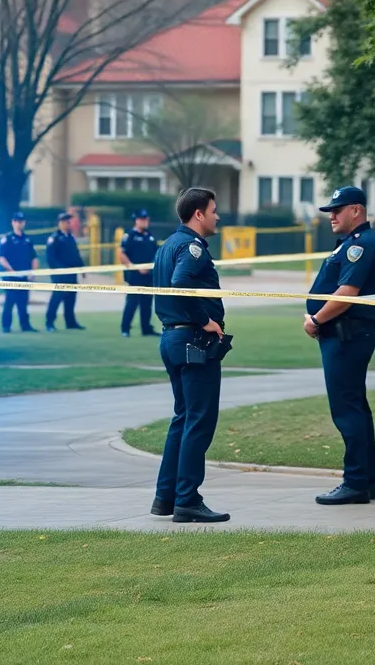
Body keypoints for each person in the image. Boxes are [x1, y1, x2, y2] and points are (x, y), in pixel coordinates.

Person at [149, 188, 230, 524]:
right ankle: (187, 500)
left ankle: (166, 496)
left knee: (182, 418)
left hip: (172, 338)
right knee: (199, 420)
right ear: (198, 214)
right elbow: (180, 283)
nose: (217, 216)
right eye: (214, 210)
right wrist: (206, 320)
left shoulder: (166, 246)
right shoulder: (192, 247)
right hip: (193, 340)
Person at [304, 186, 375, 505]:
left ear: (357, 210)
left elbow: (347, 293)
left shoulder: (360, 245)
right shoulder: (350, 244)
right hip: (344, 334)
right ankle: (367, 479)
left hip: (345, 334)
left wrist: (316, 320)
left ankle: (355, 482)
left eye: (337, 210)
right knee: (356, 407)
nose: (332, 216)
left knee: (347, 409)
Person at [119, 209, 159, 338]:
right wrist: (135, 268)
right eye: (142, 219)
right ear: (136, 220)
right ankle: (125, 329)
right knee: (132, 303)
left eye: (146, 219)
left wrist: (151, 266)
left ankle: (146, 328)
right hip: (134, 276)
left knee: (147, 304)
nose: (145, 222)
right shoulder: (129, 236)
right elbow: (122, 254)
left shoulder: (150, 236)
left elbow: (156, 253)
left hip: (148, 275)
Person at [0, 211, 39, 333]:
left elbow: (34, 257)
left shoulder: (28, 240)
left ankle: (25, 325)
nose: (19, 224)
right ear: (13, 222)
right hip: (11, 276)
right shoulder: (7, 239)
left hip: (24, 276)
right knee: (9, 302)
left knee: (23, 302)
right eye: (17, 221)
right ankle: (6, 326)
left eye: (21, 221)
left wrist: (33, 272)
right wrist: (11, 270)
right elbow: (1, 257)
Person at [44, 212, 84, 331]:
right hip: (60, 273)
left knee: (71, 297)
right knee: (57, 297)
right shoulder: (54, 238)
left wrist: (82, 267)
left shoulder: (70, 237)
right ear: (60, 223)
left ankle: (70, 322)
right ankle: (49, 322)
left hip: (71, 272)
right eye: (66, 222)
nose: (68, 224)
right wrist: (59, 269)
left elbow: (75, 254)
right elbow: (50, 257)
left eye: (69, 221)